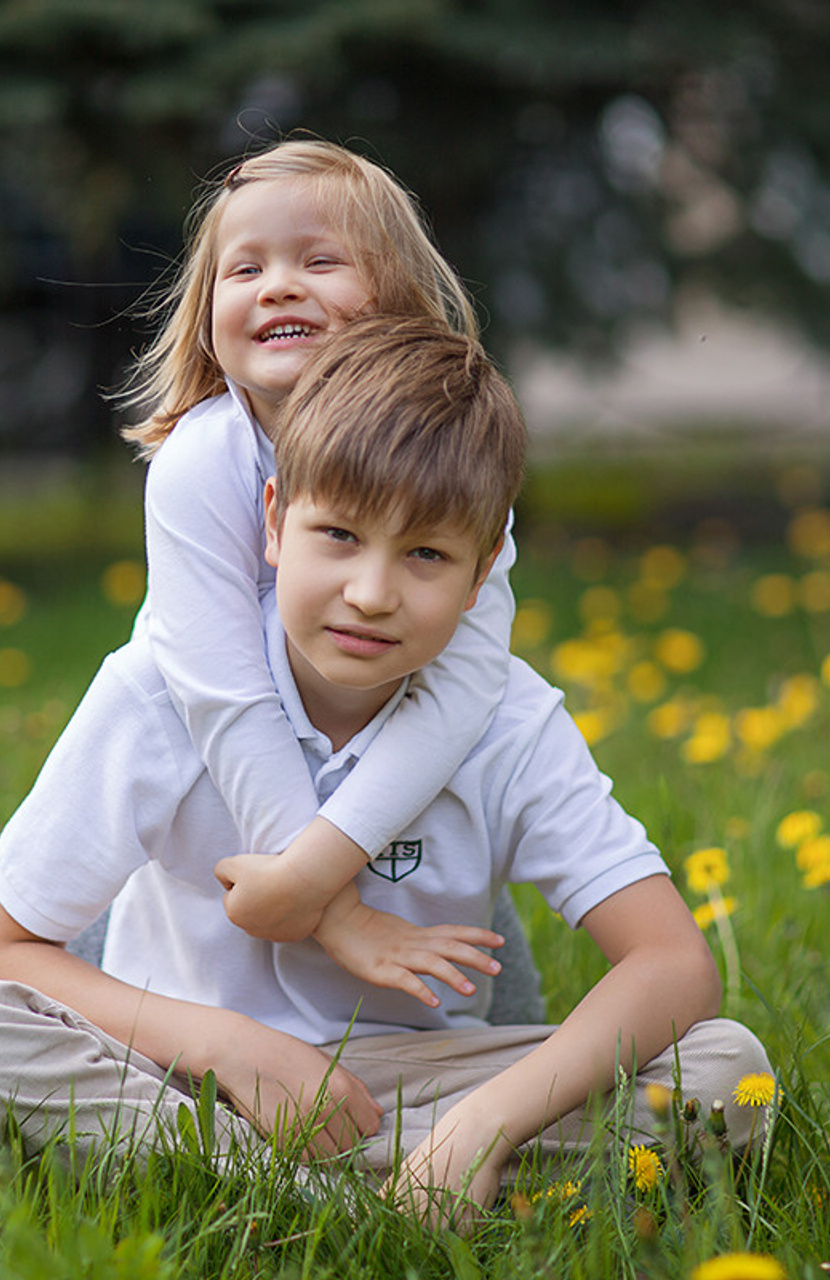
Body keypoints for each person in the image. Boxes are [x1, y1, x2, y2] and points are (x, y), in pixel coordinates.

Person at [0, 317, 772, 1222]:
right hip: (174, 1076)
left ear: (479, 581)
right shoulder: (161, 690)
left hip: (409, 1090)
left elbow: (672, 961)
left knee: (725, 1069)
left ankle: (362, 1184)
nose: (372, 592)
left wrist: (485, 1124)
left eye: (425, 554)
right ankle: (346, 1208)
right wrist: (225, 1046)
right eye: (340, 535)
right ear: (273, 520)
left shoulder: (508, 721)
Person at [119, 139, 518, 954]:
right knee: (140, 975)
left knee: (461, 942)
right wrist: (324, 905)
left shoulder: (450, 467)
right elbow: (222, 697)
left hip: (397, 803)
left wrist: (329, 867)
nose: (279, 286)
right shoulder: (203, 462)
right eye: (244, 270)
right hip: (216, 815)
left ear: (399, 297)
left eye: (321, 260)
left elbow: (466, 687)